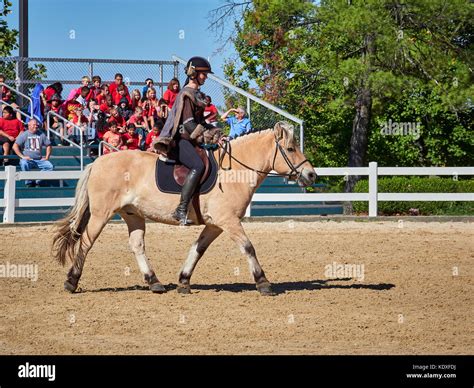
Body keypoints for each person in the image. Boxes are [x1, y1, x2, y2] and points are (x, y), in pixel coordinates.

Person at [154, 56, 222, 225]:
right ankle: (181, 209)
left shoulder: (197, 94)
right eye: (203, 74)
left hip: (192, 140)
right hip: (181, 140)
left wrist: (216, 133)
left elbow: (201, 122)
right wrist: (206, 136)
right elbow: (189, 124)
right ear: (194, 74)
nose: (205, 77)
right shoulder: (186, 94)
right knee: (198, 165)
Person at [13, 119, 53, 187]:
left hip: (38, 159)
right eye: (34, 125)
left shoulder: (41, 134)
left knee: (50, 166)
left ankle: (37, 180)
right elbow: (15, 146)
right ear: (29, 125)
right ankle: (29, 182)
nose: (36, 126)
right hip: (28, 159)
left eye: (36, 125)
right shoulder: (24, 134)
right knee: (23, 163)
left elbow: (49, 145)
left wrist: (47, 157)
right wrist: (22, 156)